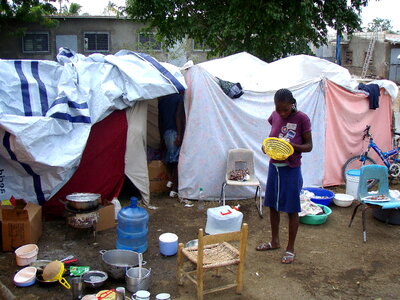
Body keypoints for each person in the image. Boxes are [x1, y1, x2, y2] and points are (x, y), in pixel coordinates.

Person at [256, 88, 313, 264]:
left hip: (291, 170)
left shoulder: (302, 119)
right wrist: (266, 148)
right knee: (272, 205)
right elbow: (271, 138)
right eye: (279, 109)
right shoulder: (275, 115)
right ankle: (274, 241)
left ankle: (290, 248)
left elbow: (309, 146)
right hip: (275, 167)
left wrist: (291, 146)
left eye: (285, 109)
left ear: (292, 104)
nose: (282, 113)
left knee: (291, 209)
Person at [158, 92, 185, 197]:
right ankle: (174, 189)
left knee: (169, 159)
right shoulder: (179, 98)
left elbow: (159, 120)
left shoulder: (162, 100)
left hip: (166, 132)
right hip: (174, 131)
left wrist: (161, 137)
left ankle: (170, 182)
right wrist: (179, 134)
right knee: (176, 161)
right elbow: (178, 116)